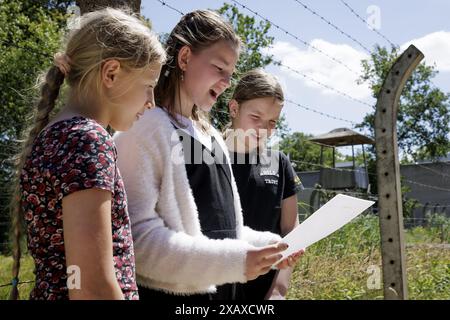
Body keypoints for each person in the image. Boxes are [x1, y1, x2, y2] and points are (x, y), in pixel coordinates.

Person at [114, 10, 302, 301]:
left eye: (231, 73)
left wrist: (269, 248)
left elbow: (227, 230)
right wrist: (235, 261)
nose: (227, 82)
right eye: (219, 68)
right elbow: (136, 241)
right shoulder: (146, 127)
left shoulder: (211, 136)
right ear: (185, 58)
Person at [10, 7, 166, 300]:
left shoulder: (56, 136)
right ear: (111, 73)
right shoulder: (87, 141)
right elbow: (89, 287)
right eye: (148, 87)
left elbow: (76, 273)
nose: (151, 103)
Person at [225, 69, 304, 300]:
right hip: (216, 288)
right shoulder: (206, 157)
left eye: (272, 122)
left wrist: (278, 290)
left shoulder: (279, 162)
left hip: (265, 292)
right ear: (234, 108)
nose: (263, 129)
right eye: (255, 118)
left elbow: (290, 229)